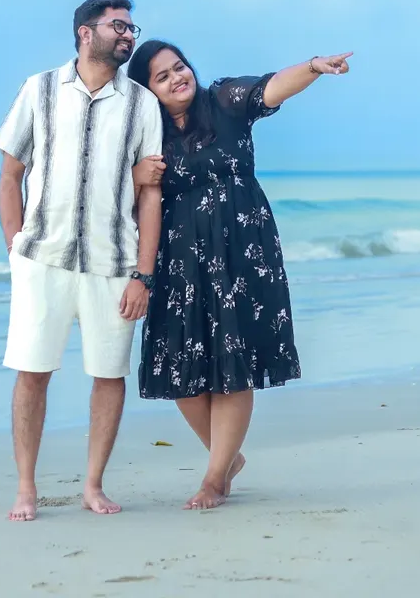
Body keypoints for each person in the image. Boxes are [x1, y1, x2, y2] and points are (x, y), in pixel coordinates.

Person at [127, 40, 352, 509]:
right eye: (162, 77)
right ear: (147, 91)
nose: (176, 78)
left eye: (179, 67)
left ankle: (215, 478)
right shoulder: (145, 136)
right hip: (178, 260)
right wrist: (136, 177)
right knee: (180, 369)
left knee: (234, 361)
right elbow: (125, 201)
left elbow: (270, 89)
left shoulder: (223, 100)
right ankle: (227, 455)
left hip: (240, 251)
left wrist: (313, 66)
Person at [0, 0, 164, 522]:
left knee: (109, 375)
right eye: (119, 26)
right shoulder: (38, 89)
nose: (128, 35)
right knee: (32, 372)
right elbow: (10, 173)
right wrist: (15, 247)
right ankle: (26, 487)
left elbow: (150, 194)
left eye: (132, 27)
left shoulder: (141, 104)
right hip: (41, 260)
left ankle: (93, 485)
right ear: (86, 33)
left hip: (113, 265)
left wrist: (144, 274)